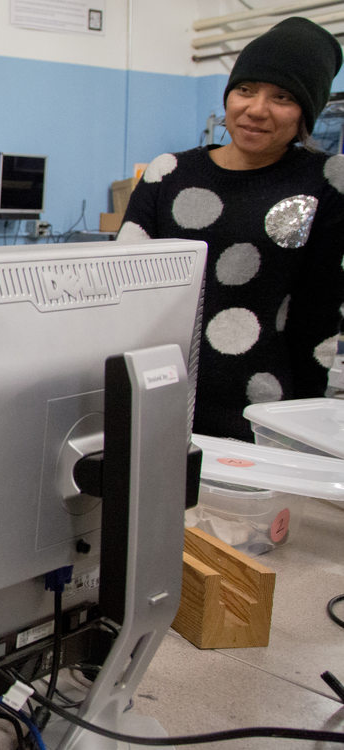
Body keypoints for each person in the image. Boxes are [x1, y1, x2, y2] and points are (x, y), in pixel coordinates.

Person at [118, 16, 344, 441]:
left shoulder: (327, 181)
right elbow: (122, 294)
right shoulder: (168, 173)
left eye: (282, 96)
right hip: (158, 400)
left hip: (263, 416)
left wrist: (305, 429)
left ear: (306, 113)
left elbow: (319, 312)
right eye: (245, 90)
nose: (256, 109)